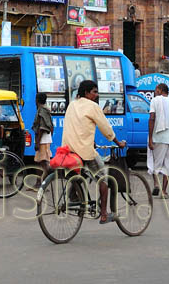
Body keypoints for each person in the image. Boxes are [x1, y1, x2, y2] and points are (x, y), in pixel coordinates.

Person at [61, 80, 125, 225]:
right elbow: (106, 128)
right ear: (86, 93)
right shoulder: (92, 106)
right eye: (94, 92)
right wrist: (118, 142)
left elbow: (79, 127)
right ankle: (103, 214)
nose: (96, 95)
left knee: (80, 172)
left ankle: (74, 195)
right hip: (83, 150)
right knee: (103, 177)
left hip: (68, 148)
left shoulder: (72, 105)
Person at [147, 83, 169, 198]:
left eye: (156, 90)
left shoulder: (155, 101)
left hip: (158, 137)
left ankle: (156, 184)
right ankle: (164, 191)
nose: (155, 92)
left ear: (160, 90)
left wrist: (150, 138)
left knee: (155, 162)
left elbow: (152, 119)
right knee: (168, 166)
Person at [31, 93, 54, 169]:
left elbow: (42, 128)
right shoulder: (45, 109)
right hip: (45, 140)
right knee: (40, 162)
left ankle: (50, 176)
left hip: (42, 141)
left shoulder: (42, 110)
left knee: (43, 162)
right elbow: (51, 127)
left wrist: (37, 142)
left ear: (37, 100)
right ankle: (39, 180)